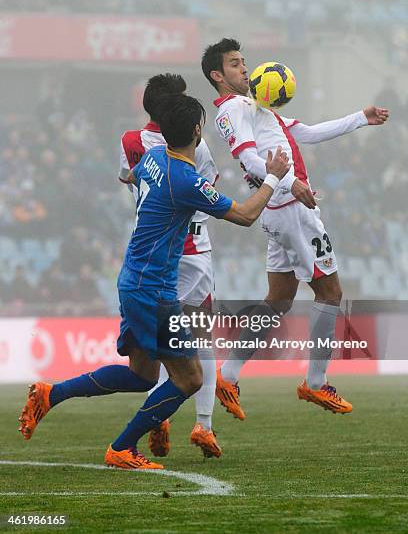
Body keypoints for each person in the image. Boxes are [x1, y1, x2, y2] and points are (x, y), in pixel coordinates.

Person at [19, 92, 290, 470]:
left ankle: (51, 394)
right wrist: (273, 177)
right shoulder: (185, 179)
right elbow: (245, 215)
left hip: (133, 279)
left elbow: (131, 176)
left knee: (142, 376)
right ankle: (122, 447)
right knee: (191, 378)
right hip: (154, 292)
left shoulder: (152, 158)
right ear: (197, 131)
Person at [201, 38, 389, 419]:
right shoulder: (235, 108)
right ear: (218, 76)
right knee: (330, 291)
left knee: (280, 298)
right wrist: (290, 184)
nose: (245, 69)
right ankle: (316, 382)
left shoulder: (255, 107)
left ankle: (229, 374)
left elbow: (306, 132)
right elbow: (250, 159)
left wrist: (359, 118)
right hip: (291, 209)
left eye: (245, 62)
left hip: (280, 209)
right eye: (236, 64)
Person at [119, 73, 221, 458]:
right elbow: (206, 190)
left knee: (162, 343)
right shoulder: (192, 148)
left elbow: (129, 178)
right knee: (196, 337)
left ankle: (160, 419)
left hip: (149, 249)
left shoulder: (132, 142)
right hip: (191, 249)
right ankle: (203, 424)